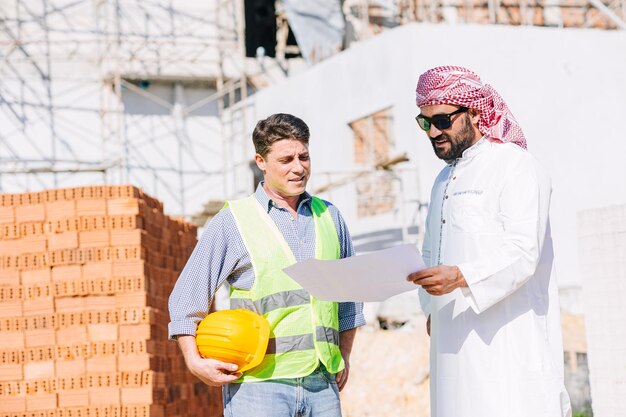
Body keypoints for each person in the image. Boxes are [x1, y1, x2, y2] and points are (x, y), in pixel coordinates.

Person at [168, 113, 364, 417]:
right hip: (258, 387)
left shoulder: (331, 217)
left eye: (304, 156)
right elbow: (187, 296)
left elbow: (348, 296)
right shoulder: (234, 221)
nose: (298, 167)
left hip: (322, 383)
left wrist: (344, 355)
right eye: (286, 159)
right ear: (261, 161)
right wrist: (194, 361)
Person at [407, 66, 571, 417]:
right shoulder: (442, 181)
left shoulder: (517, 167)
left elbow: (523, 251)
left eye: (443, 120)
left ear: (476, 114)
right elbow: (429, 251)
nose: (433, 131)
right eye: (425, 123)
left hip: (507, 342)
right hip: (451, 342)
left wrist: (461, 277)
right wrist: (430, 307)